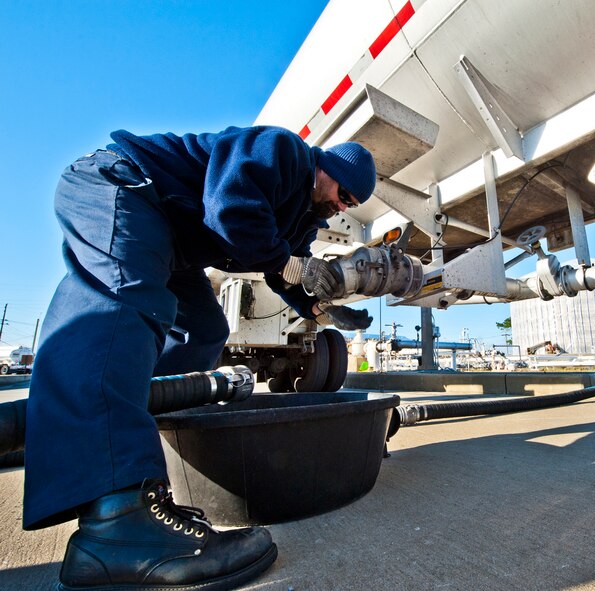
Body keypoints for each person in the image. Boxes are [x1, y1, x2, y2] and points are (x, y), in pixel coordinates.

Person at [23, 125, 376, 590]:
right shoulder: (284, 152)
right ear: (325, 167)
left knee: (203, 332)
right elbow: (232, 209)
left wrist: (322, 309)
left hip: (174, 242)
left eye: (351, 205)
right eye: (343, 193)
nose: (343, 207)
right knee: (124, 302)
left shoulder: (302, 217)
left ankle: (136, 454)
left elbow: (286, 273)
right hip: (127, 186)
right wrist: (294, 264)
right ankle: (115, 520)